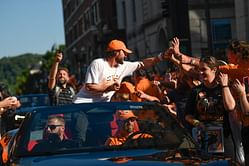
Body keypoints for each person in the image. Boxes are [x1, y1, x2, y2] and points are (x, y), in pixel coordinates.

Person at [73, 39, 168, 103]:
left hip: (101, 107)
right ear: (116, 52)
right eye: (124, 52)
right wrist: (109, 87)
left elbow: (143, 64)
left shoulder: (124, 66)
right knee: (81, 133)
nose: (126, 55)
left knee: (106, 133)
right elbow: (90, 87)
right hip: (82, 105)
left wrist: (161, 56)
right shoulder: (98, 64)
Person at [184, 56, 236, 159]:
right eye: (199, 70)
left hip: (224, 136)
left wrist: (224, 86)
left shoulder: (225, 87)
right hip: (203, 136)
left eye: (204, 69)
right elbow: (187, 115)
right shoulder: (196, 91)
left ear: (214, 69)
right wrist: (197, 123)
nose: (201, 73)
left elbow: (230, 107)